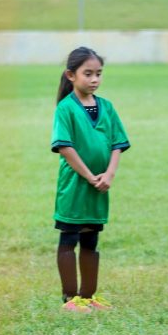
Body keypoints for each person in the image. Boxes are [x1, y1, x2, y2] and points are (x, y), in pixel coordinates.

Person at [51, 46, 130, 313]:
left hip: (100, 186)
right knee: (69, 237)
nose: (95, 79)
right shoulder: (66, 108)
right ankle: (69, 299)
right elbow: (65, 147)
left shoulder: (106, 106)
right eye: (88, 74)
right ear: (71, 75)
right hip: (74, 186)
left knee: (90, 239)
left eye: (98, 73)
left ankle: (88, 296)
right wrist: (89, 176)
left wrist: (109, 174)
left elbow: (118, 143)